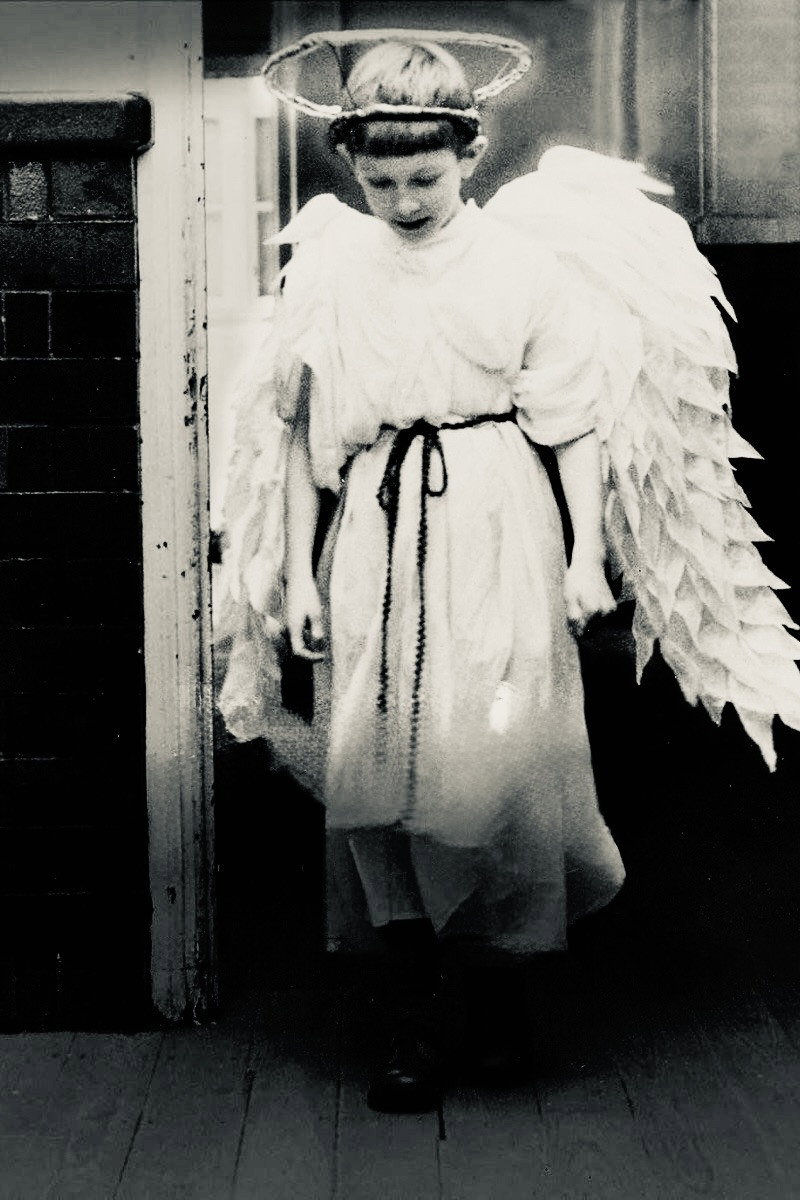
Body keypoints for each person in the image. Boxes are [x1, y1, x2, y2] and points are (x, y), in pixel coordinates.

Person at [217, 32, 800, 1113]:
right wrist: (295, 576)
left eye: (424, 179)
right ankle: (409, 1011)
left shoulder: (523, 267)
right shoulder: (334, 270)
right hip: (374, 527)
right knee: (380, 760)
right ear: (353, 167)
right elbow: (301, 441)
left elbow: (571, 422)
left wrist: (582, 554)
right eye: (381, 182)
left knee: (497, 757)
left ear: (469, 155)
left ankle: (495, 999)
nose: (403, 202)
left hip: (497, 516)